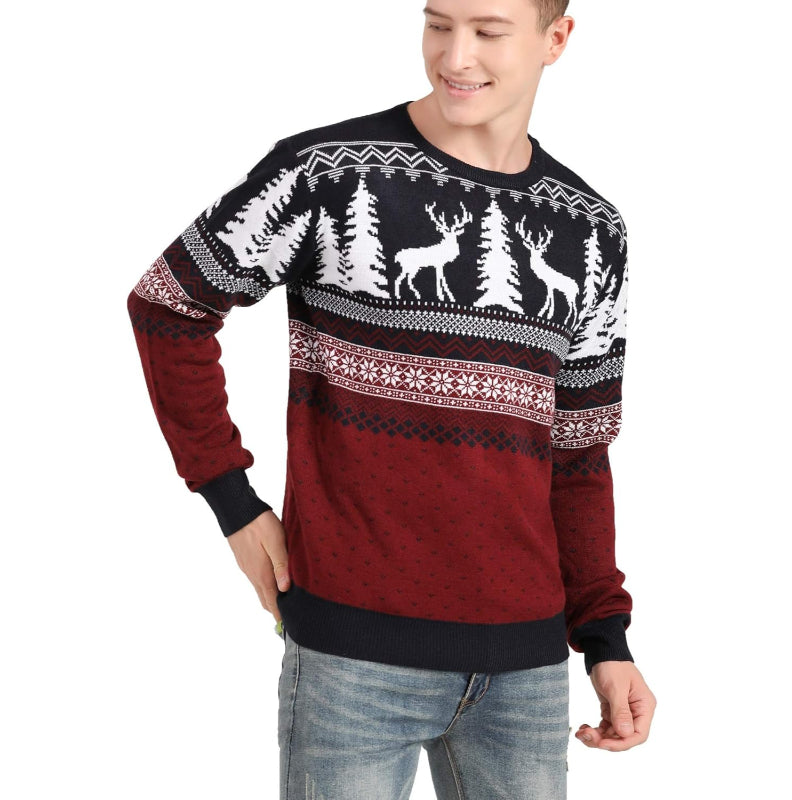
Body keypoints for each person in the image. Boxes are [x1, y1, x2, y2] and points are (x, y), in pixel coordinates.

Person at [127, 0, 657, 797]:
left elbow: (579, 453)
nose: (455, 56)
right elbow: (169, 305)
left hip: (526, 671)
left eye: (487, 31)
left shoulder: (591, 229)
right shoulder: (325, 174)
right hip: (353, 657)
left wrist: (606, 638)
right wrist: (233, 502)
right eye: (438, 24)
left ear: (556, 39)